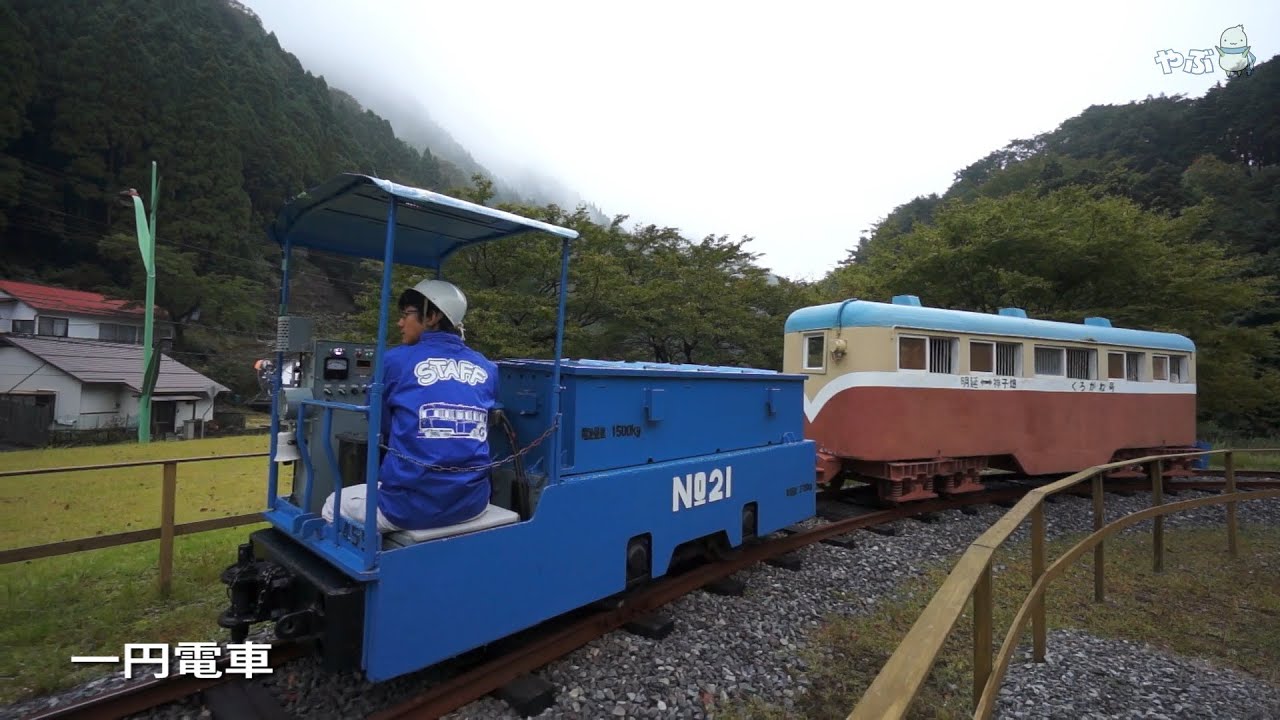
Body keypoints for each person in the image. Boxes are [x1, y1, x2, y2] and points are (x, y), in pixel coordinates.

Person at [321, 278, 498, 533]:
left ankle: (368, 567)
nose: (400, 323)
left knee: (333, 504)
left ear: (432, 316)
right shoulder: (487, 367)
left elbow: (379, 426)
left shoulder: (395, 361)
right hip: (473, 503)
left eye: (407, 315)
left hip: (409, 508)